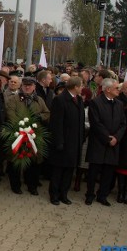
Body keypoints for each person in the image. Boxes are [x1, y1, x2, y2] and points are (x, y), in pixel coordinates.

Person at [5, 77, 50, 195]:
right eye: (25, 85)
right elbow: (10, 113)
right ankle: (15, 185)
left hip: (34, 135)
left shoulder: (39, 100)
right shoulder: (14, 99)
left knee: (33, 162)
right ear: (21, 86)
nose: (27, 87)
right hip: (18, 134)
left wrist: (39, 118)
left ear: (34, 87)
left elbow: (47, 113)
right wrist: (22, 126)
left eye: (30, 85)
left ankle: (32, 186)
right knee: (15, 161)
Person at [85, 78, 126, 206]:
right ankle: (90, 194)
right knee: (93, 171)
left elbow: (123, 124)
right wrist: (108, 138)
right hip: (99, 142)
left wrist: (116, 138)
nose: (118, 90)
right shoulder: (95, 103)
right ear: (108, 89)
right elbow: (96, 123)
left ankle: (102, 195)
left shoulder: (119, 104)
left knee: (108, 171)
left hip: (114, 144)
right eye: (116, 88)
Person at [48, 77, 85, 206]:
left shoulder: (79, 100)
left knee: (69, 170)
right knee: (58, 170)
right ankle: (54, 195)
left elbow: (81, 123)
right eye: (81, 86)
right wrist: (59, 142)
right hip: (63, 142)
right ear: (75, 87)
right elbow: (56, 123)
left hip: (75, 142)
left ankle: (64, 194)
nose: (82, 88)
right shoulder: (60, 100)